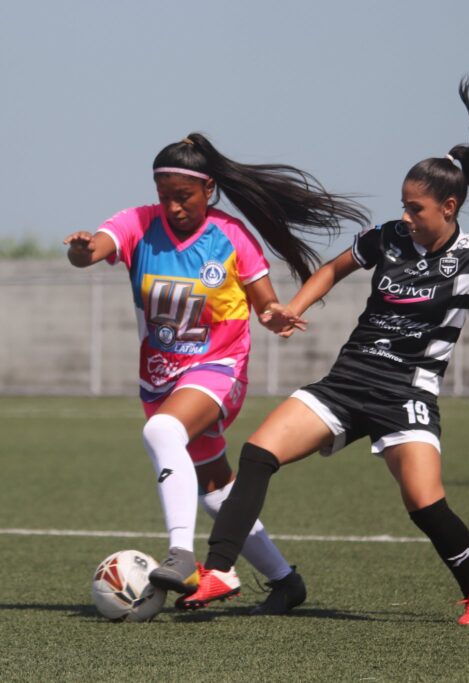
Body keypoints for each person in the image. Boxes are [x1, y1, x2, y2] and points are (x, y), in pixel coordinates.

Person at [178, 67, 469, 625]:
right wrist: (294, 306)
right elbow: (335, 268)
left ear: (449, 207)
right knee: (258, 453)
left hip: (406, 394)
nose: (406, 217)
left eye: (417, 209)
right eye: (404, 206)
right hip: (346, 382)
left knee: (425, 505)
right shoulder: (389, 238)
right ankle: (220, 570)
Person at [64, 133, 370, 614]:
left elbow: (265, 304)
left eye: (183, 196)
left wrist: (274, 316)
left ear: (209, 190)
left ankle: (181, 555)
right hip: (160, 378)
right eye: (165, 195)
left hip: (219, 368)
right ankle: (285, 581)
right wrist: (83, 250)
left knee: (161, 431)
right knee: (216, 491)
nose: (173, 206)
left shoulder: (232, 236)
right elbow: (94, 249)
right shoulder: (139, 223)